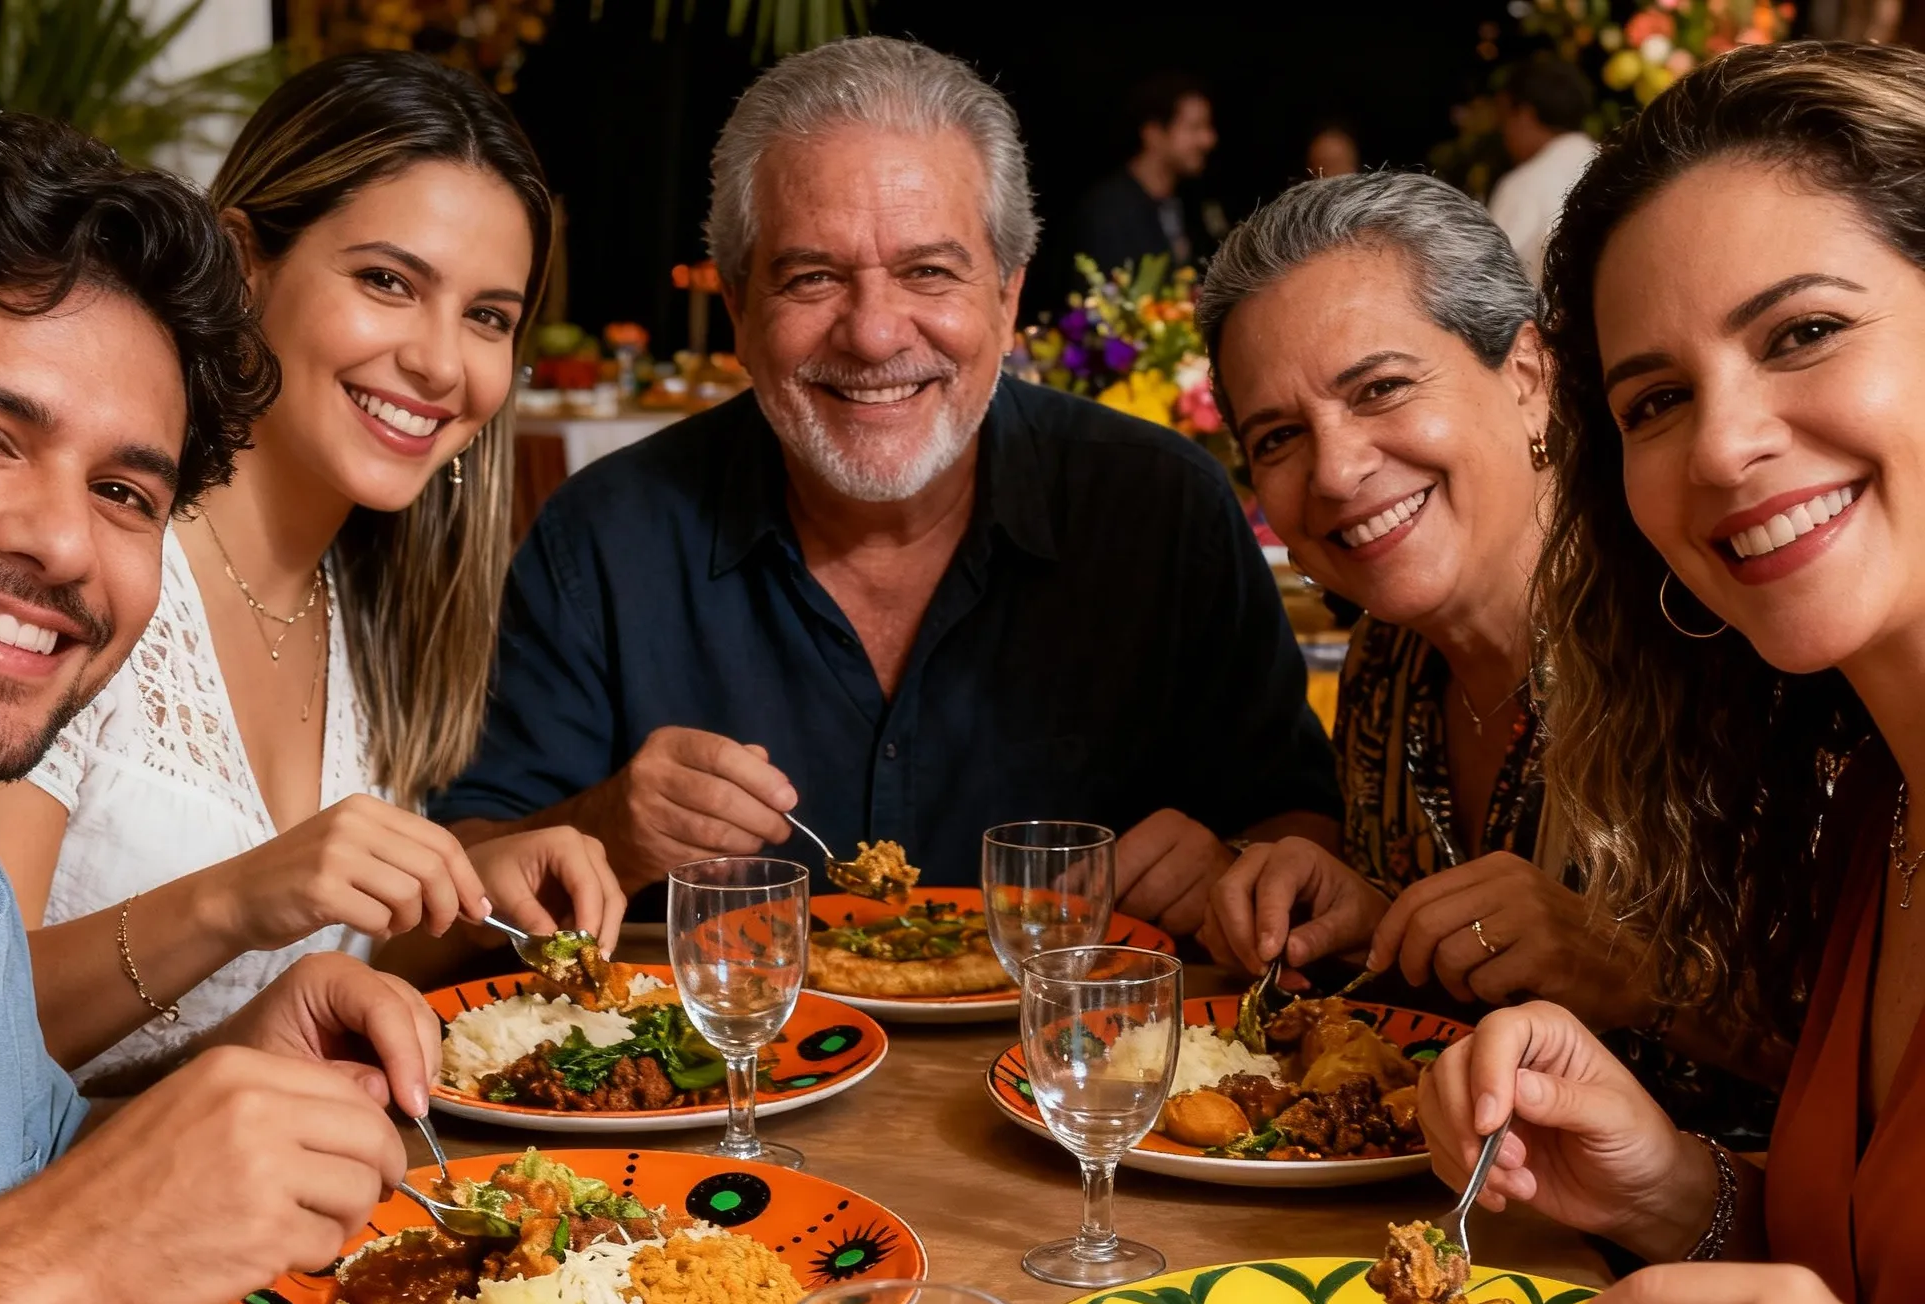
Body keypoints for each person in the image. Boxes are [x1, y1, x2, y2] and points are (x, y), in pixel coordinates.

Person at [1417, 42, 1925, 1304]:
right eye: (1653, 398)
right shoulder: (1872, 806)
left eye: (1803, 334)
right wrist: (1672, 1189)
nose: (1720, 444)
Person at [435, 39, 1339, 935]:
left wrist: (1238, 865)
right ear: (740, 311)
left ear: (1008, 299)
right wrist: (607, 829)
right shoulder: (606, 536)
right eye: (813, 277)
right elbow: (457, 882)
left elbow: (1302, 830)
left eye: (928, 272)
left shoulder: (1160, 509)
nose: (872, 334)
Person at [0, 113, 441, 1304]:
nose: (62, 542)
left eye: (124, 492)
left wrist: (240, 1077)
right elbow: (36, 1249)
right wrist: (63, 1249)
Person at [0, 53, 623, 1092]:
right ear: (244, 263)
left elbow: (304, 996)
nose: (441, 362)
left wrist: (468, 900)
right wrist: (234, 898)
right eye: (388, 282)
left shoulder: (372, 605)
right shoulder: (76, 571)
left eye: (488, 316)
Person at [1192, 172, 1735, 1072]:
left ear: (1527, 374)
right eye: (1278, 437)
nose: (1334, 472)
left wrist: (1636, 978)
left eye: (1380, 388)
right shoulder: (1387, 662)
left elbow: (1887, 1064)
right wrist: (1372, 917)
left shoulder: (1706, 629)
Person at [1064, 72, 1222, 285]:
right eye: (1194, 128)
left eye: (1208, 127)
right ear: (1153, 133)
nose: (1208, 139)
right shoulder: (1110, 211)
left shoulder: (1192, 203)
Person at [1486, 51, 1598, 286]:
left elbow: (1493, 284)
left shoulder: (1525, 185)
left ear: (1525, 115)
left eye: (1504, 119)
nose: (1504, 134)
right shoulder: (1610, 165)